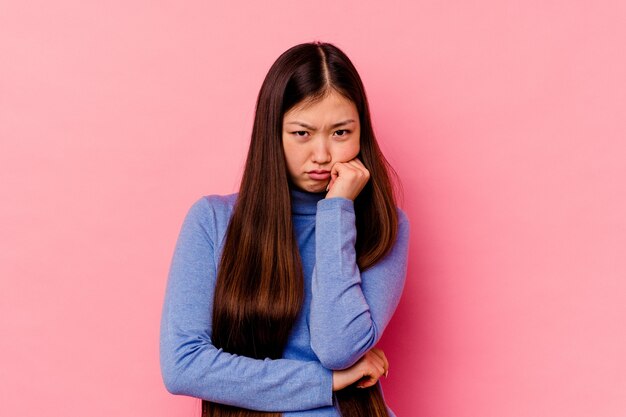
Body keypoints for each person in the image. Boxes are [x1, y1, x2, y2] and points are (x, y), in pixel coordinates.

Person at [159, 41, 410, 417]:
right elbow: (183, 365)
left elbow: (337, 346)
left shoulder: (384, 226)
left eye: (341, 133)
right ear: (273, 133)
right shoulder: (213, 220)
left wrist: (337, 210)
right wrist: (325, 382)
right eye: (302, 133)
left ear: (362, 133)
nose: (323, 155)